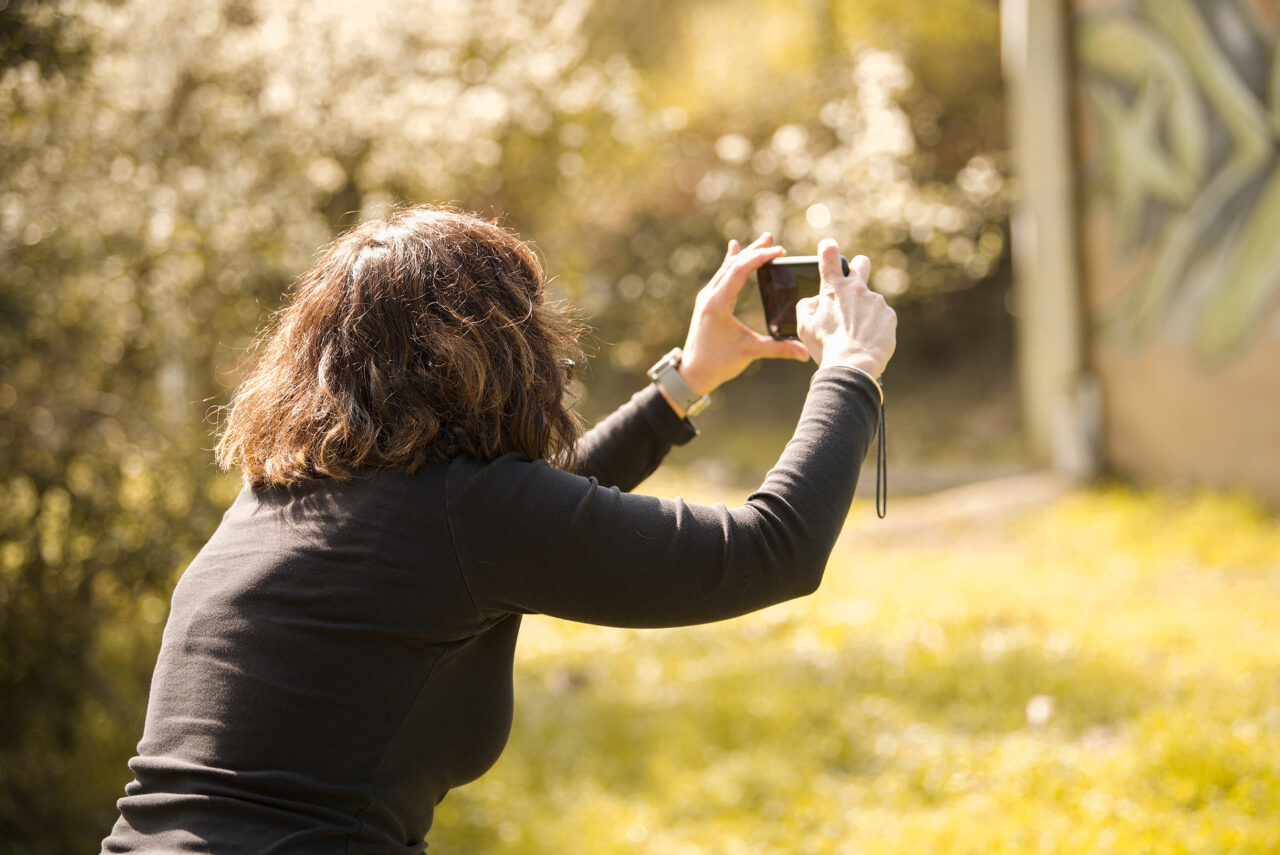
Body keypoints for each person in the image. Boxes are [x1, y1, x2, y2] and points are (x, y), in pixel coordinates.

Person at [100, 205, 896, 854]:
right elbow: (771, 549)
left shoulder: (284, 497)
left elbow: (537, 514)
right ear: (495, 350)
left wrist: (683, 382)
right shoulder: (462, 516)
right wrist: (850, 371)